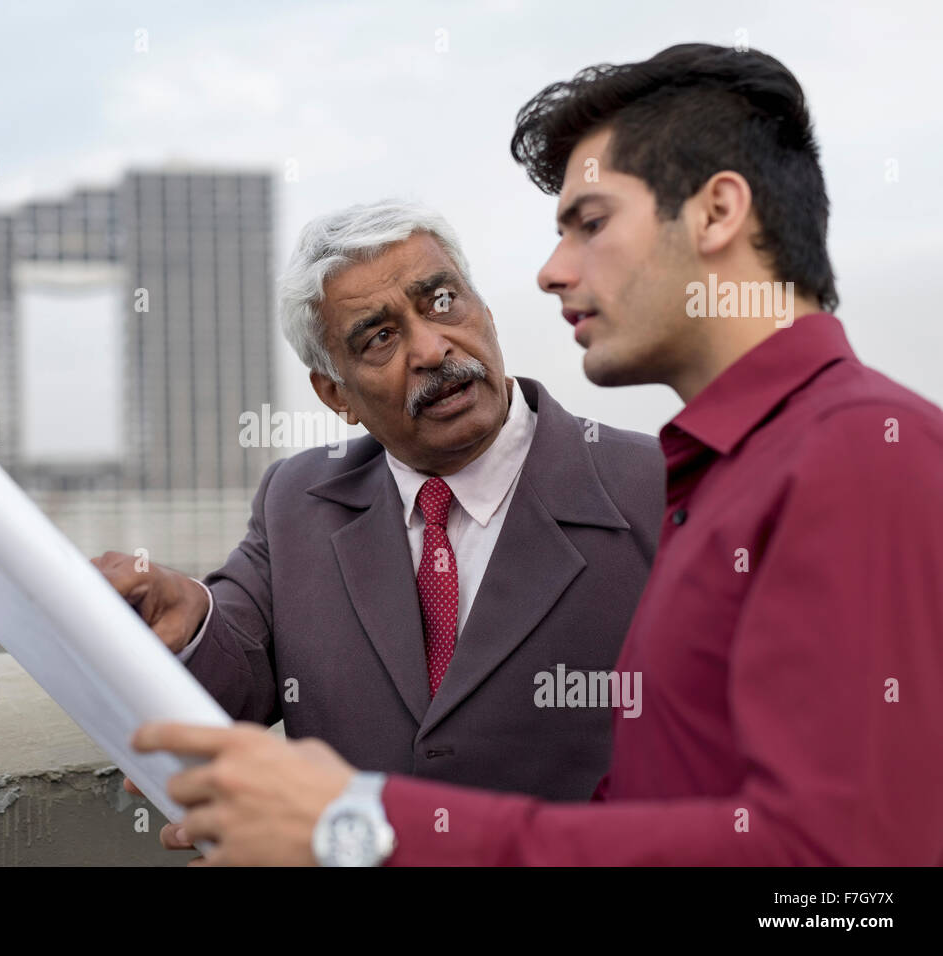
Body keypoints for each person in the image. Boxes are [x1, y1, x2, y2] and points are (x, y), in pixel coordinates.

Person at [132, 42, 943, 866]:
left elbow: (847, 881)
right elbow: (656, 807)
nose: (552, 273)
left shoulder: (856, 456)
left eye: (590, 225)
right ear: (333, 393)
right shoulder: (720, 472)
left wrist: (360, 829)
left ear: (717, 214)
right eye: (377, 338)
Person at [95, 199, 665, 828]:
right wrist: (190, 614)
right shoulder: (298, 499)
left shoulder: (657, 488)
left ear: (486, 311)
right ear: (335, 392)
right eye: (380, 337)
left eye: (442, 301)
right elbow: (237, 667)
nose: (430, 348)